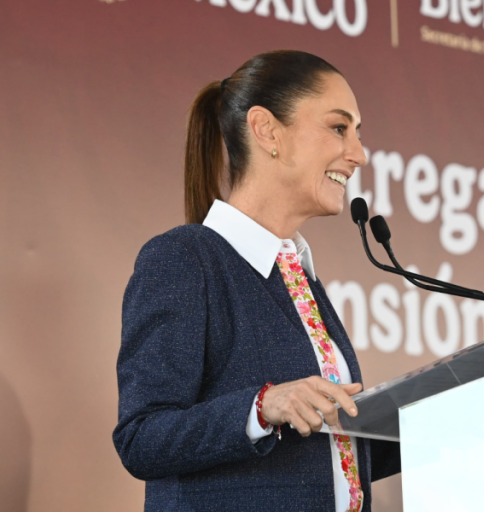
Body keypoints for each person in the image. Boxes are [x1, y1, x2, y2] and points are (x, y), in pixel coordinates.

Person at [112, 50, 399, 511]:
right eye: (339, 128)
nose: (359, 154)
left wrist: (434, 419)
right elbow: (142, 437)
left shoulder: (297, 272)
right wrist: (262, 407)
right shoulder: (185, 258)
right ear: (267, 130)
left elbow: (321, 455)